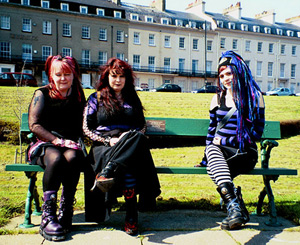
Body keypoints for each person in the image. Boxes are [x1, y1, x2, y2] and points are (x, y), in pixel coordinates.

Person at [83, 58, 161, 236]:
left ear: (127, 79)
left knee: (135, 141)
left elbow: (141, 126)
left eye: (122, 76)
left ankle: (108, 172)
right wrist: (106, 140)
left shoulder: (132, 98)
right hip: (104, 145)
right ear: (106, 77)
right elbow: (86, 128)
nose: (118, 80)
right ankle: (131, 215)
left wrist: (127, 136)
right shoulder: (96, 98)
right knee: (129, 162)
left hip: (130, 142)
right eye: (114, 76)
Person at [198, 50, 265, 230]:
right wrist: (206, 157)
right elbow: (212, 133)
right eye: (221, 75)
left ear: (239, 72)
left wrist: (225, 142)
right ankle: (235, 207)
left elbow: (256, 134)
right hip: (222, 155)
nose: (225, 78)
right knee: (212, 151)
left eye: (229, 73)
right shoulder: (216, 98)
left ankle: (235, 207)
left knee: (214, 159)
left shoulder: (254, 97)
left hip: (245, 154)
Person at [27, 55, 86, 241]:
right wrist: (57, 141)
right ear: (51, 75)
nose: (63, 78)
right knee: (56, 158)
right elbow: (34, 125)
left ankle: (66, 210)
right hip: (44, 145)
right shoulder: (41, 94)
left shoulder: (77, 94)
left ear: (73, 75)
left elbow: (82, 123)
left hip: (69, 144)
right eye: (58, 74)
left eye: (67, 74)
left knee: (74, 158)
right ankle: (48, 216)